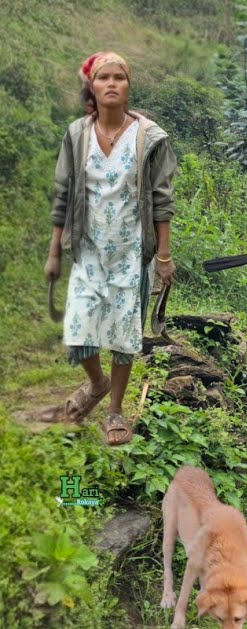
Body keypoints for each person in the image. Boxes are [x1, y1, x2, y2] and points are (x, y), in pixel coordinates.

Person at [43, 51, 178, 445]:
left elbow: (162, 199)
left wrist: (164, 256)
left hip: (131, 253)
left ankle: (115, 411)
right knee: (79, 331)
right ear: (93, 86)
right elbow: (64, 195)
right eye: (104, 77)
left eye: (120, 77)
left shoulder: (149, 138)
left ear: (128, 86)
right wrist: (54, 251)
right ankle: (97, 383)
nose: (112, 84)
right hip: (88, 249)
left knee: (122, 334)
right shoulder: (77, 135)